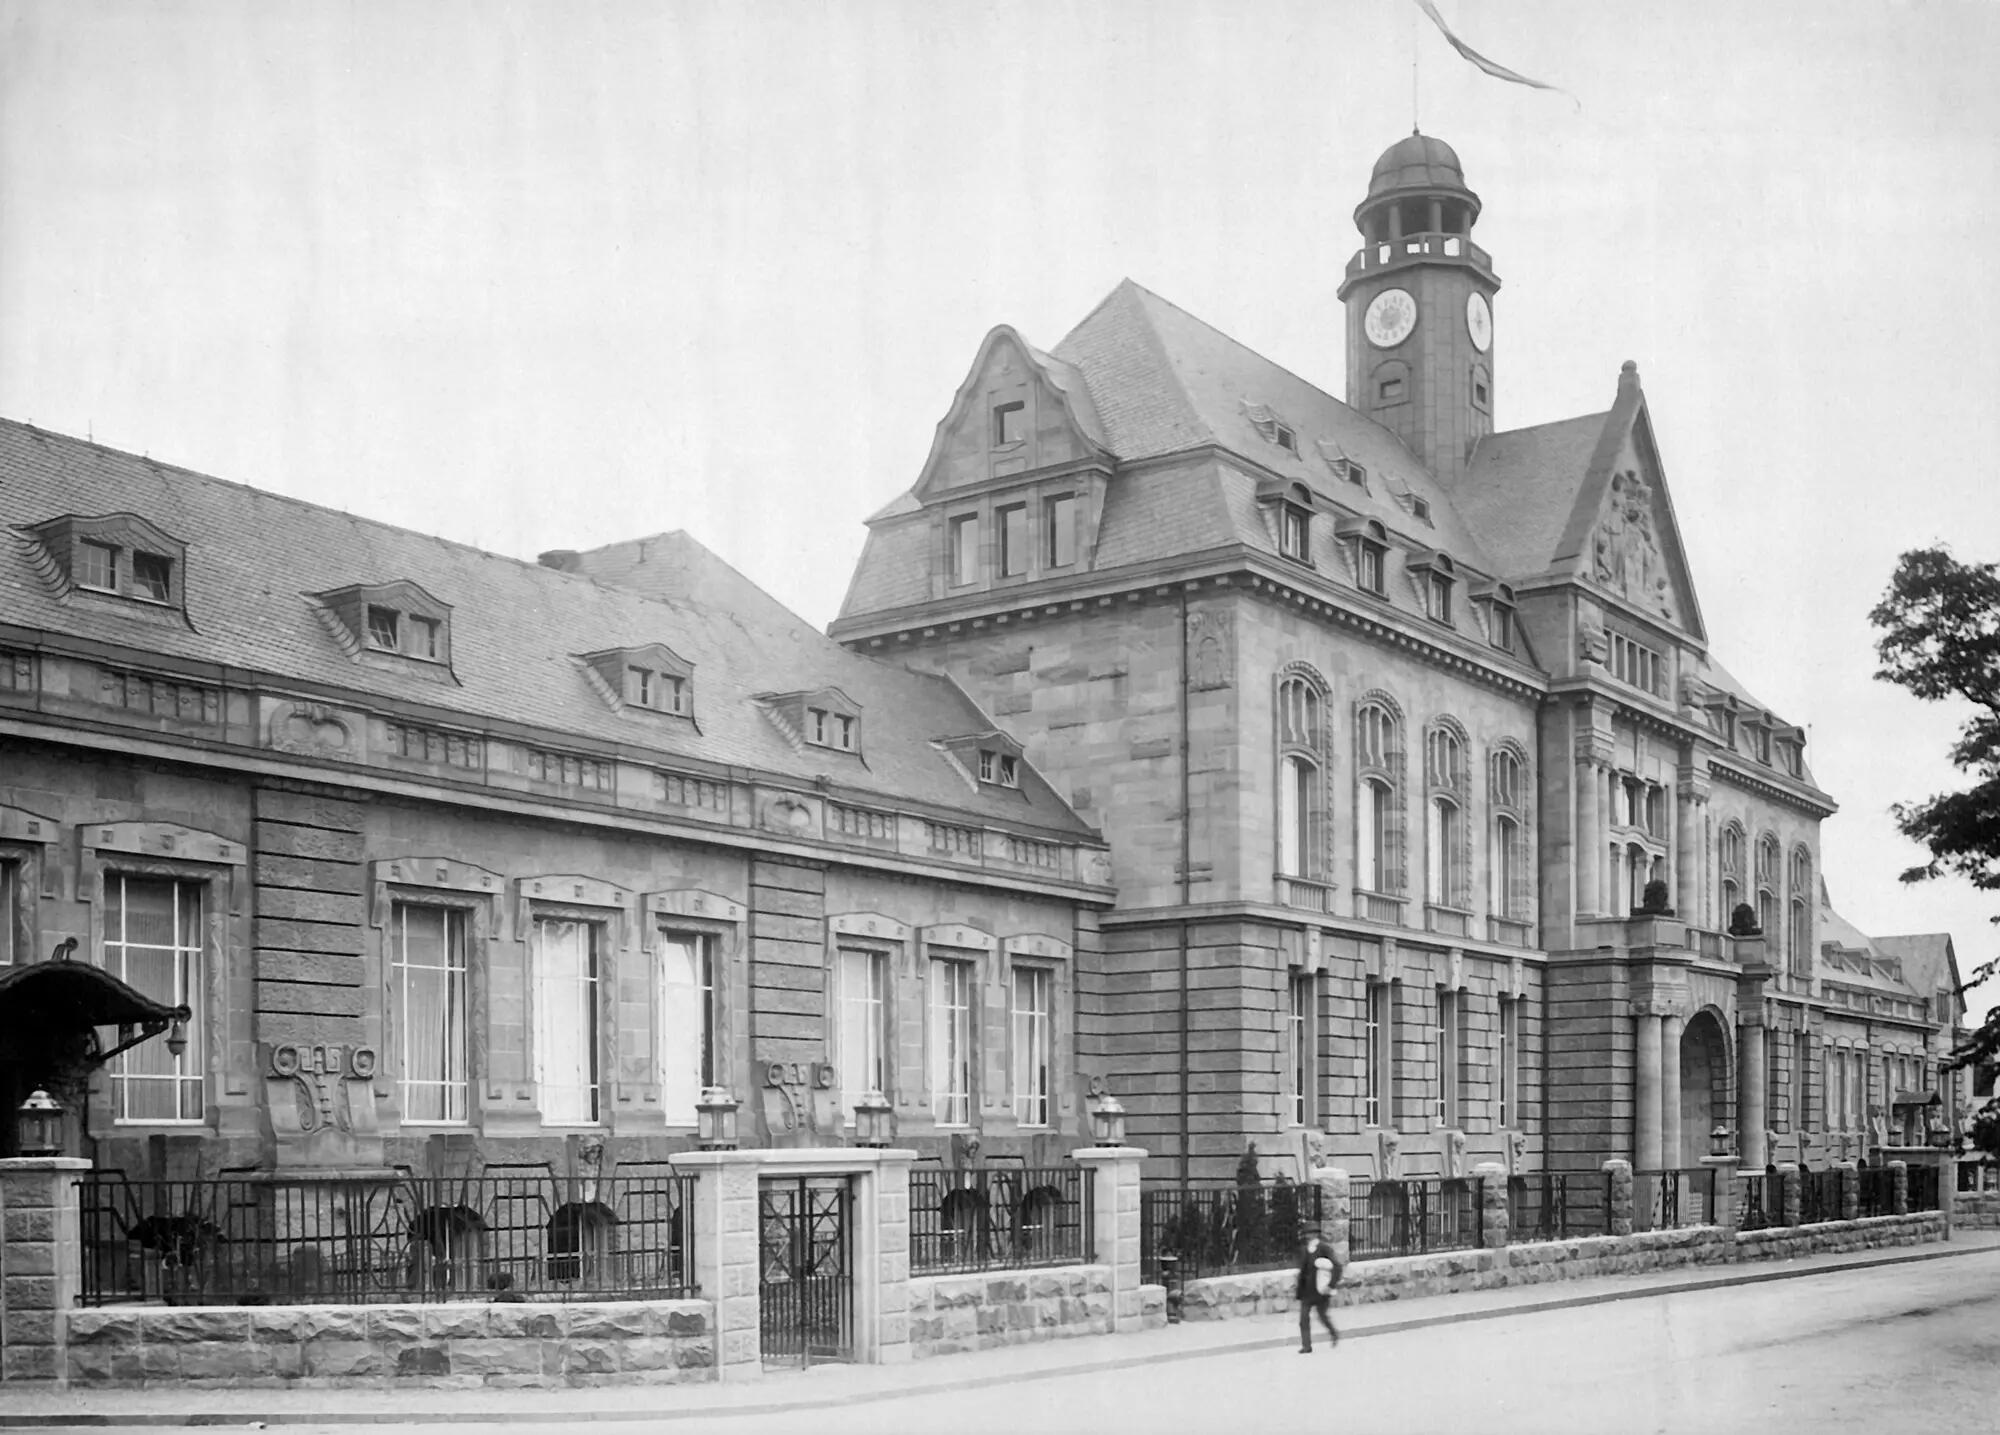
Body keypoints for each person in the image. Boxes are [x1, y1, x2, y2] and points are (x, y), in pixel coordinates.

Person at [1295, 1233, 1339, 1353]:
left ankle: (1334, 1333)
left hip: (1321, 1291)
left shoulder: (1324, 1248)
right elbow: (1302, 1270)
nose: (1309, 1236)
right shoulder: (1304, 1250)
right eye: (1307, 1233)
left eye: (1311, 1233)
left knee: (1322, 1316)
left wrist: (1330, 1285)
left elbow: (1337, 1267)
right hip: (1306, 1292)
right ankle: (1306, 1346)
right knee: (1303, 1318)